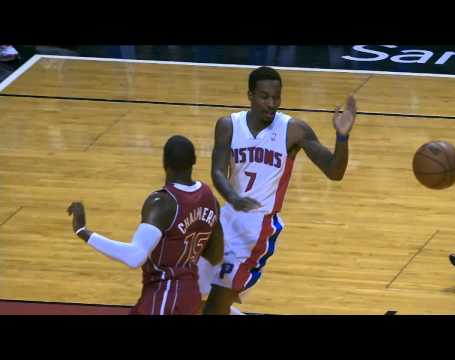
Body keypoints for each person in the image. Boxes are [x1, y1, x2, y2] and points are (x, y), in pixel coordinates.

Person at [199, 66, 357, 315]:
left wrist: (342, 137)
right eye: (264, 96)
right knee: (192, 296)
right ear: (250, 95)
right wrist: (233, 197)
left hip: (258, 228)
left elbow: (334, 172)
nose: (272, 103)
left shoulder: (294, 130)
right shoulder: (228, 125)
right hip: (226, 221)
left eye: (277, 97)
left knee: (217, 303)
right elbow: (218, 171)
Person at [67, 135, 224, 315]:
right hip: (190, 295)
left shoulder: (162, 202)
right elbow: (216, 255)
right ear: (194, 160)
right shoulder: (210, 199)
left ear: (164, 162)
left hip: (164, 296)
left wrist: (83, 232)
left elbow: (134, 257)